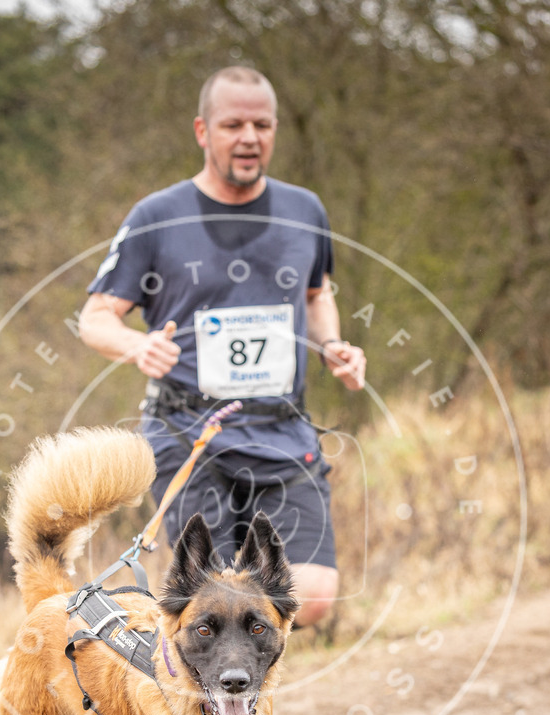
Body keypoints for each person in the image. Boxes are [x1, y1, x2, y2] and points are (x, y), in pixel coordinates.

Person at [79, 66, 366, 628]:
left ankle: (237, 685)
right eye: (233, 124)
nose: (250, 137)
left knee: (310, 595)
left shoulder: (305, 209)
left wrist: (331, 344)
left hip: (280, 428)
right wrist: (137, 348)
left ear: (275, 129)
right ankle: (220, 709)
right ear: (203, 131)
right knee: (212, 605)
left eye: (262, 124)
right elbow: (94, 318)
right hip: (189, 433)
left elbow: (316, 292)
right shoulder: (156, 217)